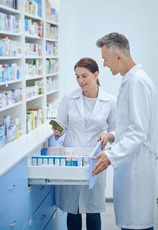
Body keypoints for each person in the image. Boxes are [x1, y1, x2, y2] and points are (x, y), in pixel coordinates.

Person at [93, 32, 158, 230]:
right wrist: (113, 136)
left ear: (118, 57)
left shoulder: (137, 82)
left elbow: (138, 133)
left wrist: (111, 156)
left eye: (105, 59)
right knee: (130, 223)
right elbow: (130, 126)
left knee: (136, 225)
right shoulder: (130, 79)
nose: (104, 65)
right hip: (130, 164)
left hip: (136, 169)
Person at [52, 57, 117, 230]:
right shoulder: (69, 97)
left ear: (95, 75)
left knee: (93, 210)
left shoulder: (109, 100)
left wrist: (107, 135)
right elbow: (62, 123)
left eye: (84, 76)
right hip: (72, 158)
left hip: (94, 159)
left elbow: (117, 131)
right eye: (77, 76)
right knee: (73, 210)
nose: (80, 81)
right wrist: (58, 130)